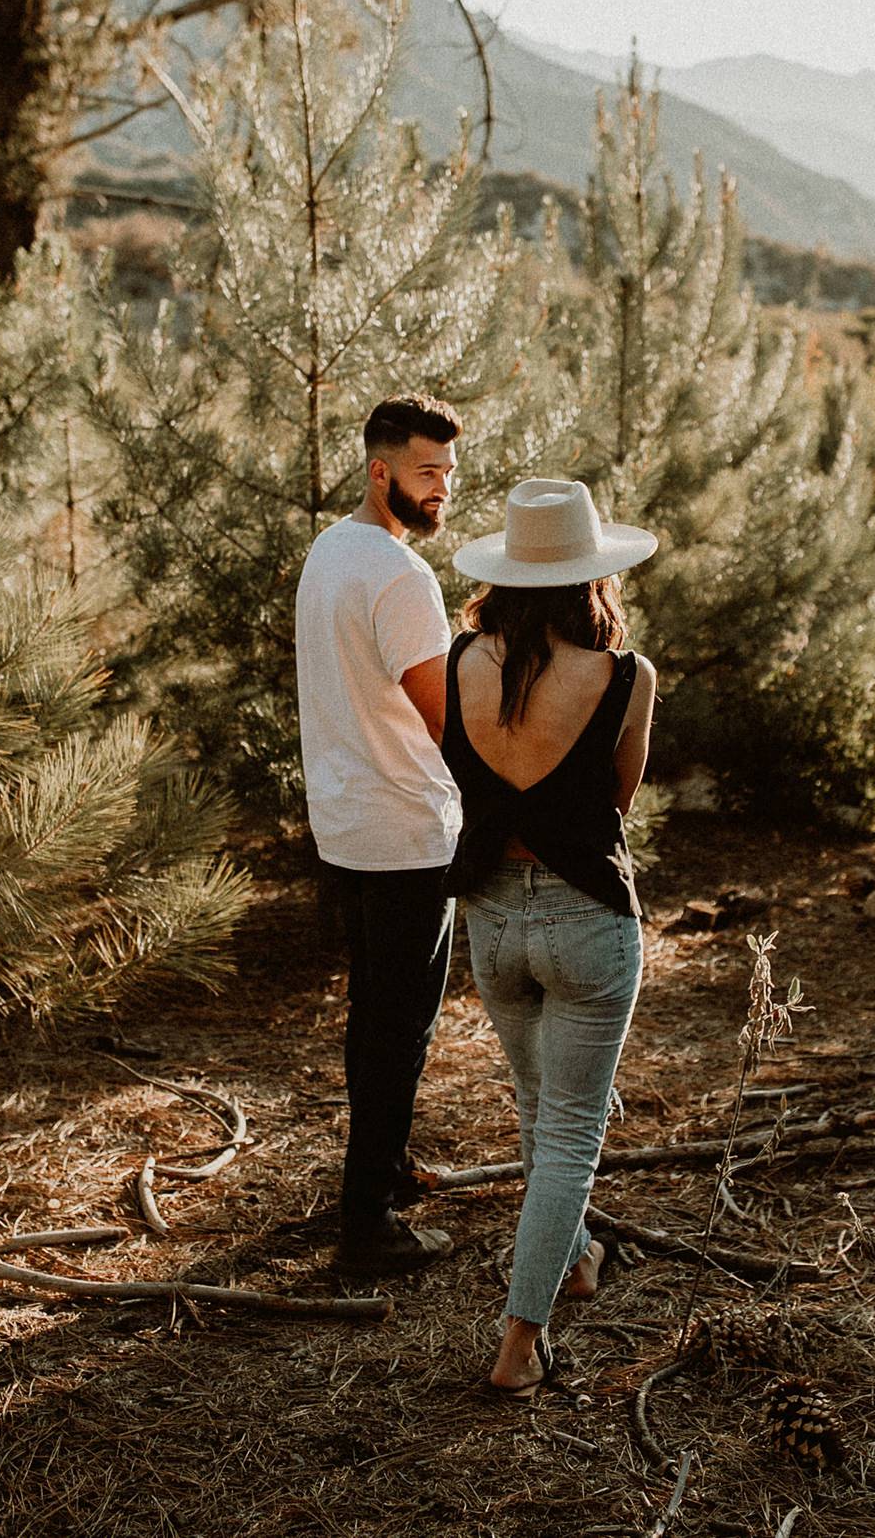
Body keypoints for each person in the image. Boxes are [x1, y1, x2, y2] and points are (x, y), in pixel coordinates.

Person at [442, 478, 658, 1396]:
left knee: (539, 1107)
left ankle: (573, 1259)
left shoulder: (459, 662)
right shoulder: (625, 676)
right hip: (587, 925)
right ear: (591, 576)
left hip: (491, 921)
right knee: (569, 1133)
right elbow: (616, 798)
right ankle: (519, 1344)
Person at [294, 394, 466, 1275]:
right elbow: (449, 723)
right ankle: (368, 1226)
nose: (443, 488)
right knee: (401, 1027)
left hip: (346, 825)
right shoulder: (401, 578)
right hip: (405, 832)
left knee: (375, 1016)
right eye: (427, 472)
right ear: (380, 471)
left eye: (449, 472)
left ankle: (385, 1173)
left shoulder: (329, 551)